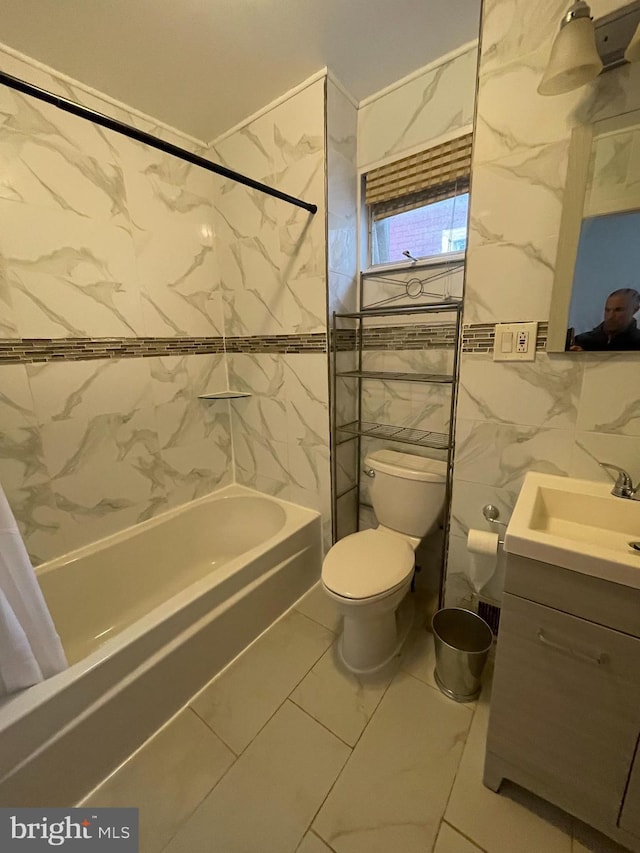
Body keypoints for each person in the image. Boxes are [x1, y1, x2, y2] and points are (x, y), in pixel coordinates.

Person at [571, 288, 640, 350]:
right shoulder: (582, 341)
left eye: (618, 310)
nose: (610, 316)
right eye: (607, 310)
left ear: (635, 310)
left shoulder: (637, 342)